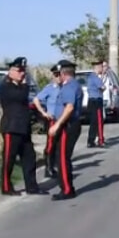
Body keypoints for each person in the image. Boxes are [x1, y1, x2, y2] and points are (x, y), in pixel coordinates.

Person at [0, 57, 43, 196]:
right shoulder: (6, 86)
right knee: (9, 159)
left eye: (23, 71)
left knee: (29, 157)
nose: (22, 73)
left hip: (23, 128)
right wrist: (25, 84)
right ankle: (6, 187)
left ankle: (32, 186)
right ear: (10, 71)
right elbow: (20, 97)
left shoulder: (20, 86)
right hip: (11, 128)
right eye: (19, 71)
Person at [48, 60, 84, 200]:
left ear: (63, 73)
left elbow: (69, 108)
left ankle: (67, 190)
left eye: (59, 73)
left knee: (62, 158)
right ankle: (67, 187)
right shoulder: (74, 85)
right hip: (70, 125)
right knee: (62, 157)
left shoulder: (69, 87)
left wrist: (57, 125)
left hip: (67, 126)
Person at [32, 63, 63, 180]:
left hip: (62, 120)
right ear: (53, 76)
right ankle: (48, 168)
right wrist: (44, 113)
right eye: (56, 75)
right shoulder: (49, 88)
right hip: (52, 120)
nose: (58, 77)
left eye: (60, 75)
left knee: (60, 145)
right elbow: (36, 100)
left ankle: (57, 166)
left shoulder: (65, 88)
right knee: (50, 144)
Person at [85, 58, 107, 148]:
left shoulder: (90, 77)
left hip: (91, 100)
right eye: (101, 67)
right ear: (97, 67)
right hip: (96, 101)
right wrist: (103, 86)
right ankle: (100, 140)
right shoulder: (95, 77)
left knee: (93, 122)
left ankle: (91, 141)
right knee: (99, 121)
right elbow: (102, 87)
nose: (102, 69)